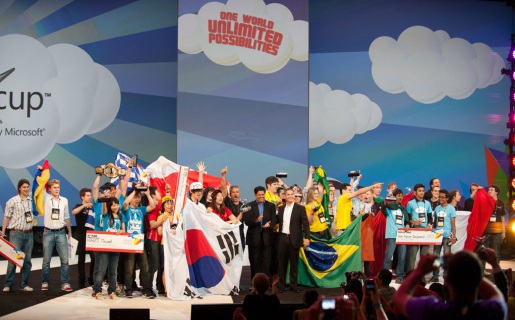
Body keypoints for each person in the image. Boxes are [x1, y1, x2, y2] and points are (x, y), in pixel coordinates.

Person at [392, 252, 507, 319]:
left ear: (447, 281)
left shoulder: (433, 310)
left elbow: (399, 297)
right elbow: (495, 294)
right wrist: (468, 266)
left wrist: (419, 271)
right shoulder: (492, 311)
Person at [122, 185, 156, 298]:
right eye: (135, 197)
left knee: (145, 267)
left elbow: (153, 205)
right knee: (129, 267)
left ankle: (146, 289)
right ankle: (128, 289)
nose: (137, 199)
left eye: (138, 197)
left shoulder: (141, 209)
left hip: (140, 242)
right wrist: (135, 191)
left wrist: (146, 194)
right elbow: (125, 203)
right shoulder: (126, 209)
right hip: (129, 241)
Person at [1, 179, 34, 292]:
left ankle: (24, 284)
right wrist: (3, 231)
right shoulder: (13, 201)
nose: (26, 189)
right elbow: (6, 216)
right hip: (16, 233)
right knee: (13, 259)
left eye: (28, 187)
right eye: (24, 187)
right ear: (19, 188)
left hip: (29, 234)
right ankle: (8, 284)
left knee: (27, 261)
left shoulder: (31, 200)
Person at [41, 179, 73, 292]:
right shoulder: (46, 198)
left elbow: (67, 216)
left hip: (61, 232)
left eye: (58, 187)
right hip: (48, 232)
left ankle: (65, 282)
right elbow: (40, 186)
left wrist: (69, 231)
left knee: (64, 259)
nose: (57, 189)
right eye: (54, 187)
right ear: (50, 189)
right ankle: (45, 281)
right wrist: (41, 172)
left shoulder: (64, 200)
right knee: (46, 260)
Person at [277, 188, 310, 293]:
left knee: (294, 264)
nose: (290, 196)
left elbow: (305, 224)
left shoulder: (300, 208)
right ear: (285, 196)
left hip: (295, 239)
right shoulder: (281, 209)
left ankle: (293, 285)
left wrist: (307, 238)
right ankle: (281, 286)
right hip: (283, 238)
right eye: (288, 194)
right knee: (282, 264)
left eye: (292, 194)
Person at [93, 198, 125, 299]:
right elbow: (103, 209)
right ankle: (97, 291)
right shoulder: (106, 214)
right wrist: (105, 199)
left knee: (113, 271)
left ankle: (112, 291)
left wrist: (121, 231)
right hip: (105, 245)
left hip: (116, 246)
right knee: (102, 270)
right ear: (109, 206)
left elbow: (124, 229)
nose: (115, 207)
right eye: (113, 205)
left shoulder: (121, 216)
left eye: (117, 205)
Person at [244, 186, 277, 282]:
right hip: (254, 239)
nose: (261, 196)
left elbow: (274, 219)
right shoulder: (248, 206)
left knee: (266, 262)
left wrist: (269, 224)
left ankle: (266, 283)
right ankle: (254, 283)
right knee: (255, 262)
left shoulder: (271, 206)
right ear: (255, 195)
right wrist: (256, 220)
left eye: (263, 194)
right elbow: (246, 221)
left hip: (267, 238)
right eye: (259, 195)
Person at [382, 188, 409, 284]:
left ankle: (399, 276)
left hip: (402, 235)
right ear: (394, 197)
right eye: (398, 196)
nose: (400, 197)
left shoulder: (403, 208)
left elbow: (406, 219)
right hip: (392, 235)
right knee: (388, 257)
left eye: (401, 195)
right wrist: (384, 204)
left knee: (402, 258)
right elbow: (383, 210)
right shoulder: (389, 208)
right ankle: (383, 277)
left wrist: (407, 224)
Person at [429, 189, 456, 283]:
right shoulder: (437, 208)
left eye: (443, 197)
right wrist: (433, 232)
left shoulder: (451, 208)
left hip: (447, 235)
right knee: (436, 256)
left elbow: (453, 224)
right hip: (437, 235)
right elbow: (435, 223)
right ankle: (435, 276)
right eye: (439, 197)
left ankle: (446, 276)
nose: (440, 198)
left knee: (446, 256)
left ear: (447, 198)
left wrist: (454, 237)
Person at [71, 188, 96, 288]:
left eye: (90, 195)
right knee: (81, 258)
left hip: (91, 235)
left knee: (94, 258)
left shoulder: (93, 207)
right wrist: (84, 206)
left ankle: (92, 278)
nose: (90, 197)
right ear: (82, 197)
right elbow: (74, 212)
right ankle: (81, 279)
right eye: (88, 195)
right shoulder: (79, 206)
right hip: (81, 235)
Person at [406, 183, 433, 273]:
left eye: (423, 191)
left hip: (425, 231)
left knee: (424, 256)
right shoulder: (410, 203)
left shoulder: (428, 203)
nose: (422, 193)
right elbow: (407, 217)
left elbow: (430, 217)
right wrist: (413, 222)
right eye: (419, 191)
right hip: (415, 230)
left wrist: (429, 225)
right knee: (412, 255)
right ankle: (409, 275)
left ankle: (422, 277)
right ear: (415, 192)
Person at [483, 184, 506, 265]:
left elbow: (502, 217)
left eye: (491, 190)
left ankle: (496, 271)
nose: (489, 191)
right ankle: (482, 272)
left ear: (496, 192)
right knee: (483, 252)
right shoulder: (485, 202)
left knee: (496, 253)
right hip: (485, 230)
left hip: (497, 230)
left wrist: (504, 231)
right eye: (488, 190)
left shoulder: (501, 203)